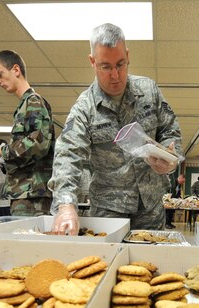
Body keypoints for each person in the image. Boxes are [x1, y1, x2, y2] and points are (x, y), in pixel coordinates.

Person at [48, 23, 181, 233]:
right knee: (106, 261)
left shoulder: (149, 91)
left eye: (120, 64)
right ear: (92, 62)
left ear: (127, 56)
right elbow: (68, 156)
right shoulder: (85, 107)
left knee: (150, 262)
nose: (115, 75)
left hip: (150, 205)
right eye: (106, 67)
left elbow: (170, 130)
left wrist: (170, 159)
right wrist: (66, 205)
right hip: (108, 209)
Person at [0, 50, 55, 217]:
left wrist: (0, 152)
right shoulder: (25, 105)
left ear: (16, 70)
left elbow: (38, 144)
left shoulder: (33, 102)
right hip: (25, 192)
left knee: (29, 241)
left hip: (32, 195)